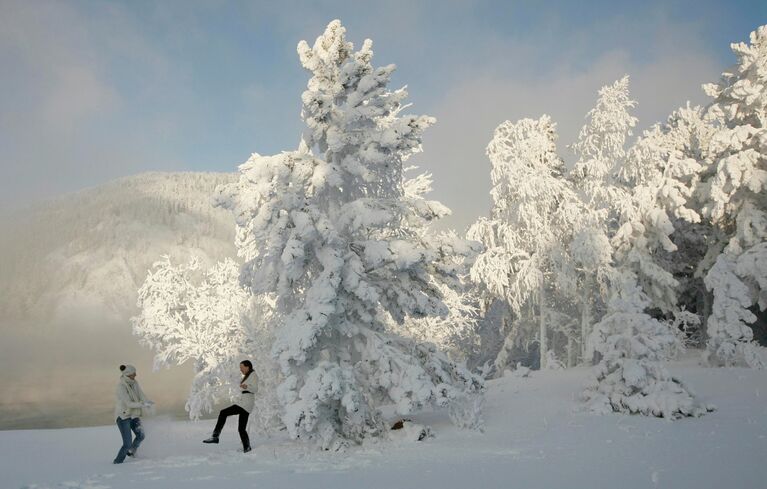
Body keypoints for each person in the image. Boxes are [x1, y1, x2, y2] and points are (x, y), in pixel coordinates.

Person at [203, 360, 257, 452]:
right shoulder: (248, 376)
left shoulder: (253, 375)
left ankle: (215, 436)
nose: (240, 370)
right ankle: (247, 447)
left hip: (245, 403)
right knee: (241, 429)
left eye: (242, 368)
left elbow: (255, 389)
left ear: (247, 367)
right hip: (246, 403)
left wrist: (246, 387)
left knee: (223, 412)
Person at [113, 364, 153, 464]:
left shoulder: (134, 383)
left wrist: (147, 402)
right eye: (133, 373)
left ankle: (131, 452)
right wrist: (142, 404)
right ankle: (117, 462)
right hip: (123, 416)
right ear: (127, 374)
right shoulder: (121, 387)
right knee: (127, 444)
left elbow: (141, 395)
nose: (136, 375)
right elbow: (128, 404)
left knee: (141, 435)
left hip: (134, 415)